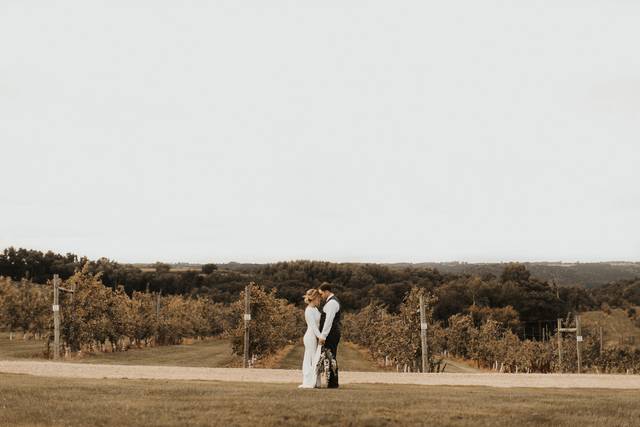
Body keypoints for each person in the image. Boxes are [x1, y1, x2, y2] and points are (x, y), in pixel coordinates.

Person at [318, 282, 341, 388]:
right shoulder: (331, 301)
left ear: (327, 291)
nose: (321, 296)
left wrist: (323, 336)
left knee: (331, 357)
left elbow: (329, 321)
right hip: (331, 333)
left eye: (321, 294)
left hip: (331, 334)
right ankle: (331, 382)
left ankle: (333, 383)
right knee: (329, 356)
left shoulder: (332, 303)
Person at [299, 288, 323, 388]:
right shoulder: (308, 310)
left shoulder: (315, 309)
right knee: (312, 359)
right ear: (314, 298)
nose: (320, 301)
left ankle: (316, 382)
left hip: (314, 336)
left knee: (315, 359)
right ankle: (309, 381)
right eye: (318, 299)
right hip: (310, 337)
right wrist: (320, 337)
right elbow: (313, 326)